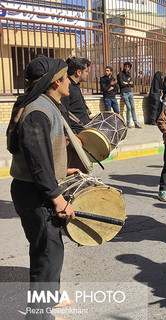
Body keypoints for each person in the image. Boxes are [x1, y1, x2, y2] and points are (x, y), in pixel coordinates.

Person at [7, 57, 77, 320]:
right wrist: (57, 199)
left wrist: (62, 169)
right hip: (35, 193)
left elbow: (42, 155)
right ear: (56, 81)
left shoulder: (45, 105)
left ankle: (48, 305)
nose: (70, 81)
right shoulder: (38, 110)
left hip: (37, 188)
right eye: (66, 77)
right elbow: (37, 163)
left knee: (50, 251)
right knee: (46, 257)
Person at [61, 57, 92, 133]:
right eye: (86, 71)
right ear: (78, 72)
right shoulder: (67, 88)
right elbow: (64, 115)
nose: (87, 74)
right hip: (77, 133)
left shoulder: (75, 86)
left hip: (84, 129)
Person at [118, 61, 141, 128]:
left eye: (128, 67)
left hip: (130, 92)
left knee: (133, 108)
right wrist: (128, 83)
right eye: (126, 66)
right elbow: (121, 84)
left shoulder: (129, 75)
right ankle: (128, 123)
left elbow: (132, 85)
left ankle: (135, 122)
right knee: (129, 107)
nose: (127, 68)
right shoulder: (120, 74)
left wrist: (126, 83)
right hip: (124, 93)